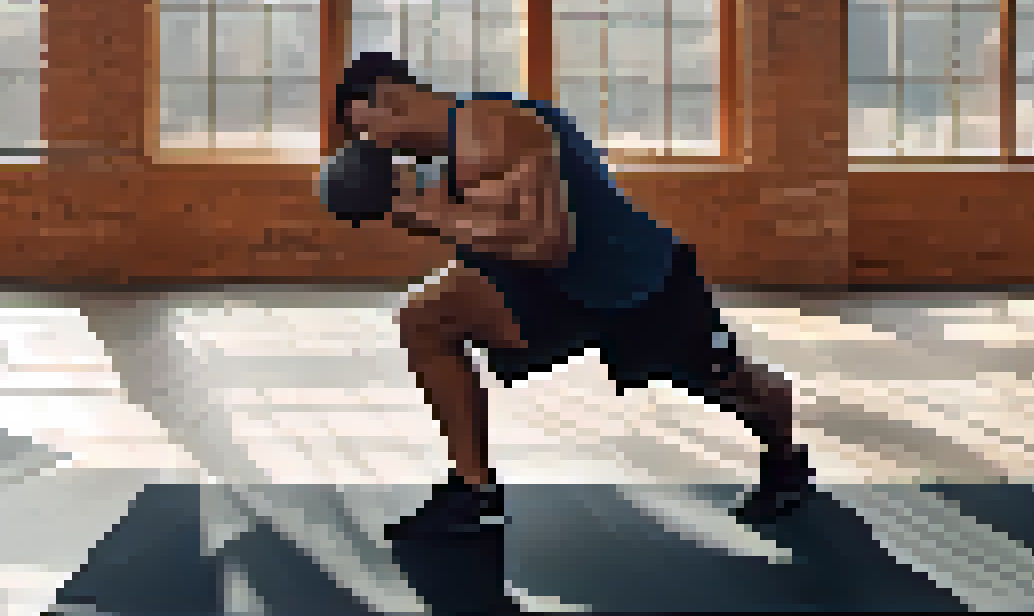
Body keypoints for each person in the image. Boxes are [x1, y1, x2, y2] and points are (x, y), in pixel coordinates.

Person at [332, 51, 815, 538]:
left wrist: (418, 213)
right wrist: (405, 207)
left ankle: (787, 457)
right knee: (424, 318)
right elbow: (486, 238)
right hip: (556, 291)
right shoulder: (445, 164)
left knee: (735, 387)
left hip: (639, 285)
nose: (373, 147)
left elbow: (546, 242)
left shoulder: (494, 129)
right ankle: (472, 490)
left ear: (390, 99)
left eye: (366, 130)